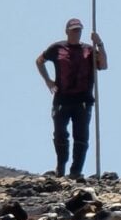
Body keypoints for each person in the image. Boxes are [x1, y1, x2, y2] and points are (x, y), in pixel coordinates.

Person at [36, 18, 107, 179]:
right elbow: (39, 61)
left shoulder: (89, 50)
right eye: (74, 30)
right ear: (67, 31)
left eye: (79, 30)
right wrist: (48, 80)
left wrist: (100, 44)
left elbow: (103, 65)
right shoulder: (57, 48)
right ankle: (60, 168)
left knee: (81, 136)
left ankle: (75, 172)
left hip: (83, 100)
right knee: (60, 133)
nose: (77, 33)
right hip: (62, 99)